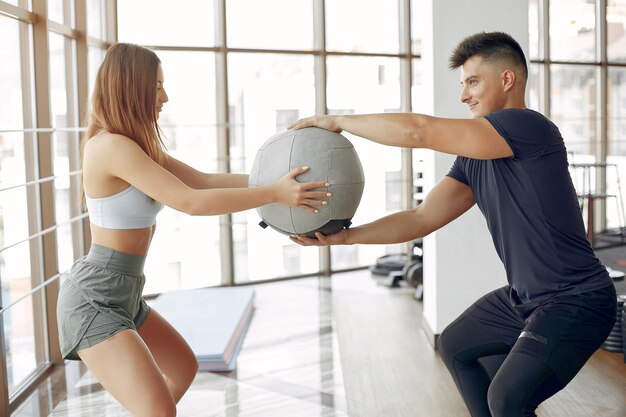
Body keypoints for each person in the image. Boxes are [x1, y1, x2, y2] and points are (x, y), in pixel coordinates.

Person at [289, 32, 617, 417]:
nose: (464, 96)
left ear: (507, 79)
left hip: (576, 300)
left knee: (507, 399)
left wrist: (338, 120)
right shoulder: (473, 157)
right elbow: (421, 218)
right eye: (463, 85)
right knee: (457, 344)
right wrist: (345, 238)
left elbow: (420, 131)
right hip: (526, 298)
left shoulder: (530, 128)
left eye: (473, 81)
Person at [56, 43, 330, 417]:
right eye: (156, 86)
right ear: (131, 87)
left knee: (183, 369)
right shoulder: (109, 147)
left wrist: (273, 181)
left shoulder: (138, 148)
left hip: (125, 292)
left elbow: (202, 181)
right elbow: (190, 202)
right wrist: (275, 194)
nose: (164, 97)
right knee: (158, 409)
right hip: (95, 298)